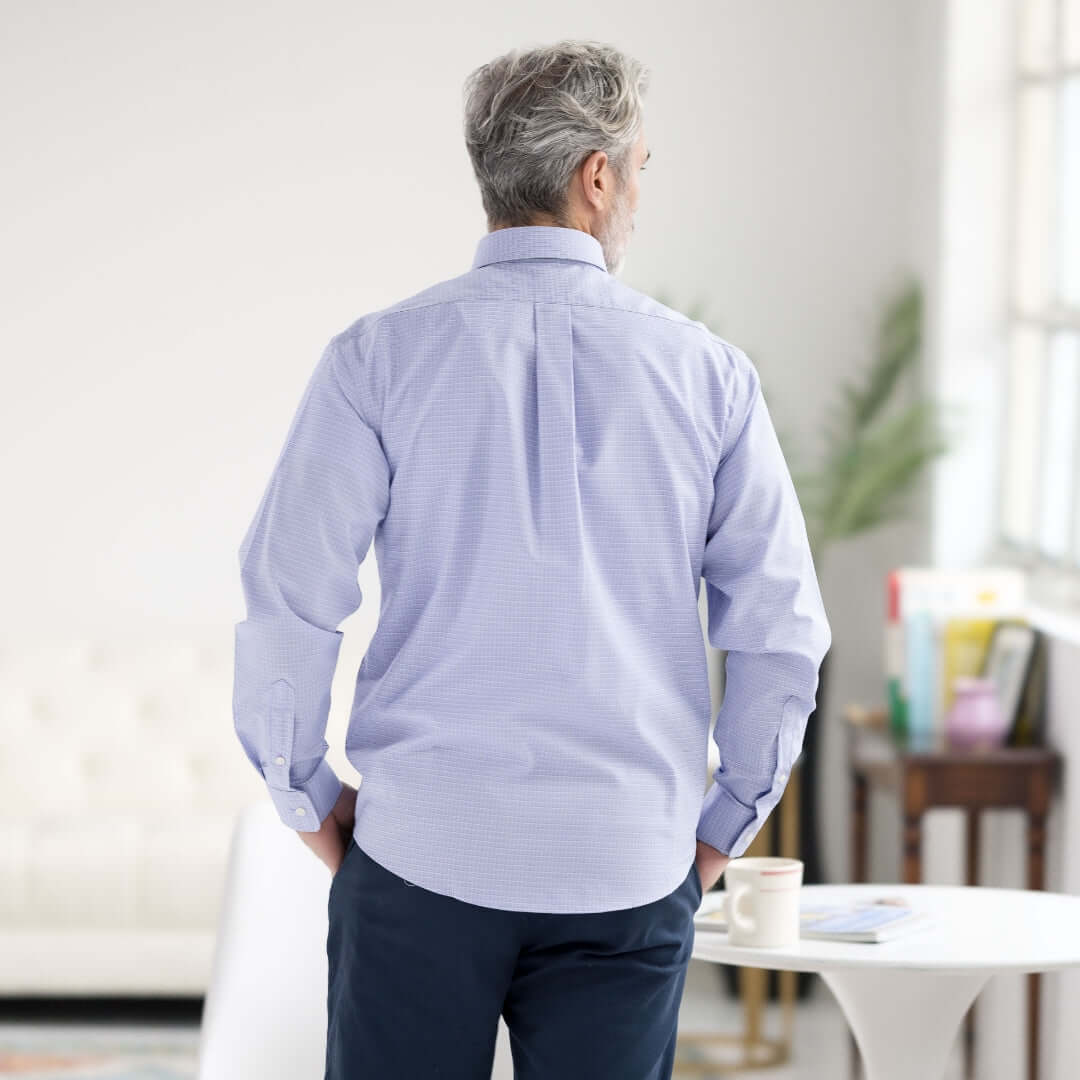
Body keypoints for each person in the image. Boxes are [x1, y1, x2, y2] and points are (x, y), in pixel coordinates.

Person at [231, 37, 832, 1080]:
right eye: (639, 168)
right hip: (627, 865)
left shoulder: (375, 358)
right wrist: (720, 830)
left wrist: (309, 797)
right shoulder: (711, 377)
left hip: (419, 859)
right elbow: (781, 636)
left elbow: (288, 600)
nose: (638, 192)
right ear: (596, 177)